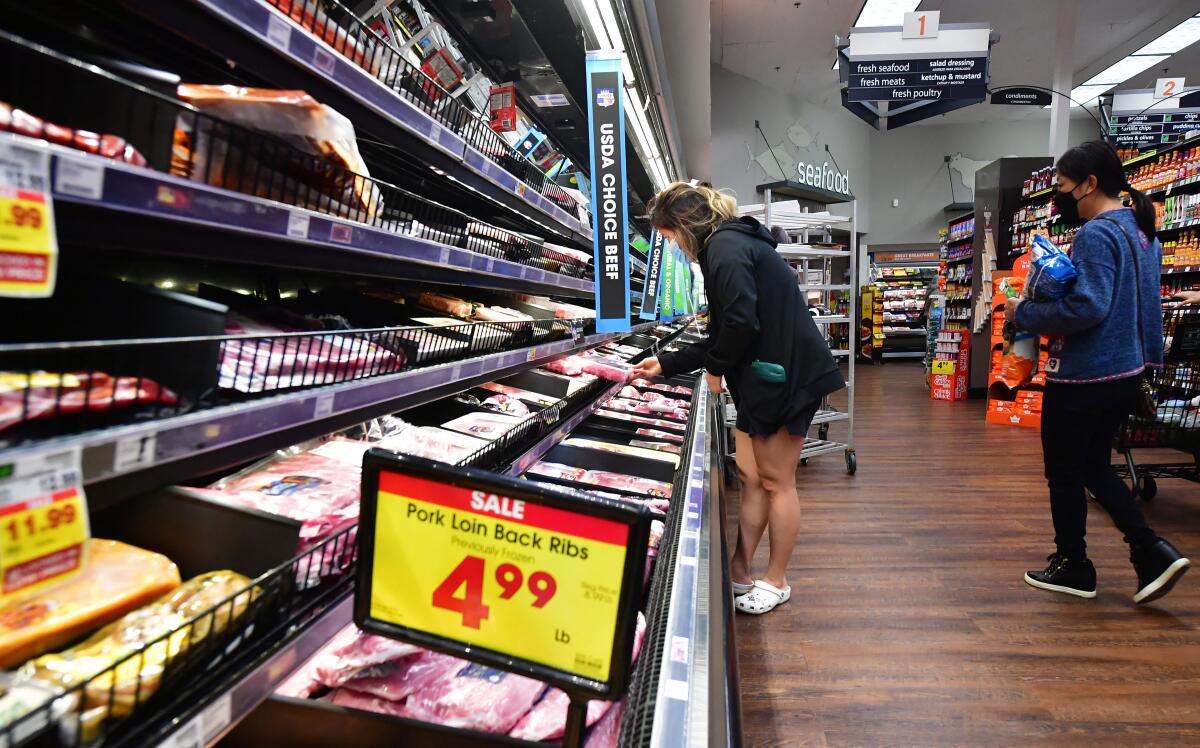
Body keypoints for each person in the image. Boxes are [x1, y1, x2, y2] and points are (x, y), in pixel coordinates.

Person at [629, 182, 844, 615]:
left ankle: (776, 579)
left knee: (777, 481)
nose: (673, 248)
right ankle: (741, 569)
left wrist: (712, 368)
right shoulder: (728, 244)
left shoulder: (724, 249)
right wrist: (667, 363)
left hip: (785, 378)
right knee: (749, 475)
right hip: (763, 376)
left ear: (684, 226)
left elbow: (740, 325)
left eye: (669, 237)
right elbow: (726, 327)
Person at [1005, 140, 1190, 604]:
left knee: (1064, 473)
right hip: (1124, 372)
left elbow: (1087, 307)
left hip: (1084, 376)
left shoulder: (1095, 233)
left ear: (1090, 184)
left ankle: (1074, 565)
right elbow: (1141, 305)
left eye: (1066, 189)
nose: (1064, 199)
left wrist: (1022, 310)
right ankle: (1151, 551)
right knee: (1092, 466)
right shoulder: (1143, 229)